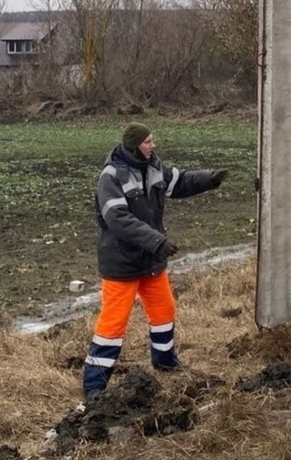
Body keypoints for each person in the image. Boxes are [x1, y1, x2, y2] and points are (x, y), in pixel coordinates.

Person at [82, 122, 229, 399]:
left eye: (152, 141)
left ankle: (165, 362)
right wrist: (157, 241)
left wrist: (210, 179)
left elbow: (180, 181)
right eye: (148, 142)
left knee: (164, 311)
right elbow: (118, 220)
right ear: (135, 145)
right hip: (122, 265)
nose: (153, 145)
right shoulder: (111, 177)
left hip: (151, 262)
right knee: (112, 326)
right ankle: (94, 386)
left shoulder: (155, 167)